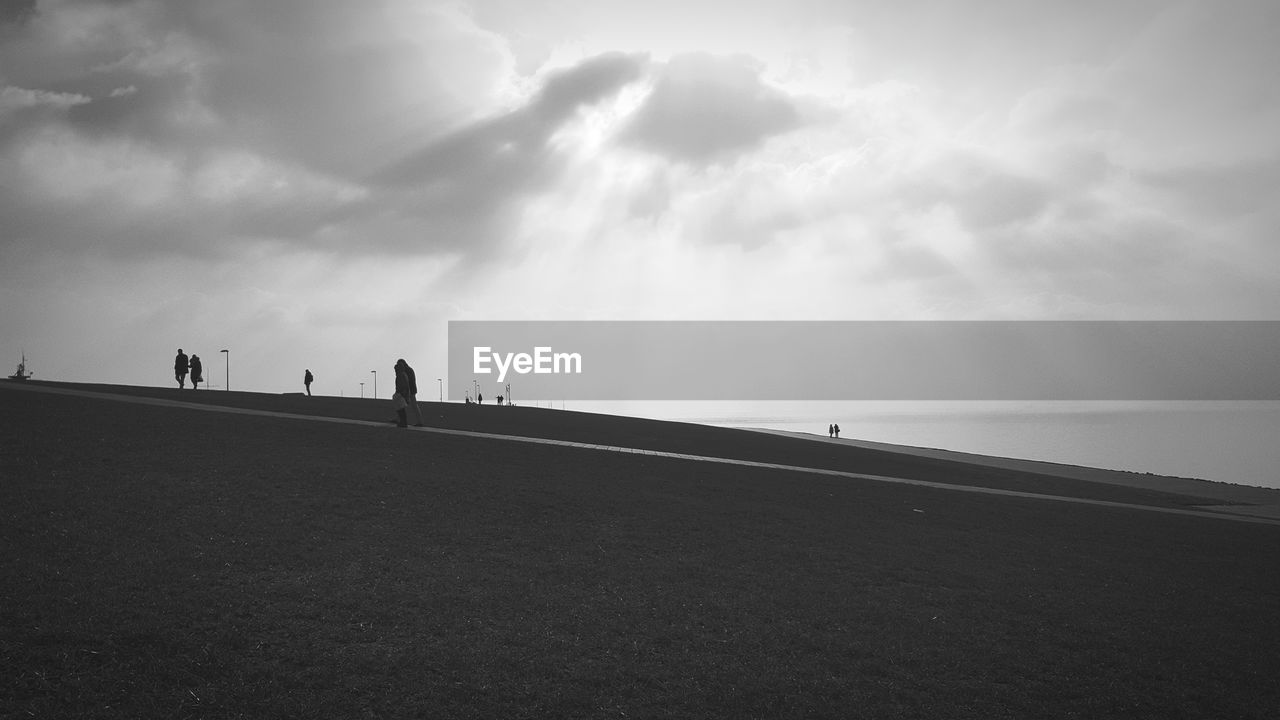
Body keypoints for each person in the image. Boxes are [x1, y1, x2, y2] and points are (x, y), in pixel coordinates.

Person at [395, 359, 424, 426]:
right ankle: (419, 421)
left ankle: (419, 422)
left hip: (409, 390)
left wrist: (406, 391)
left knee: (404, 405)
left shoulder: (406, 371)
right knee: (405, 405)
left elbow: (408, 382)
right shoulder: (409, 369)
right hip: (411, 390)